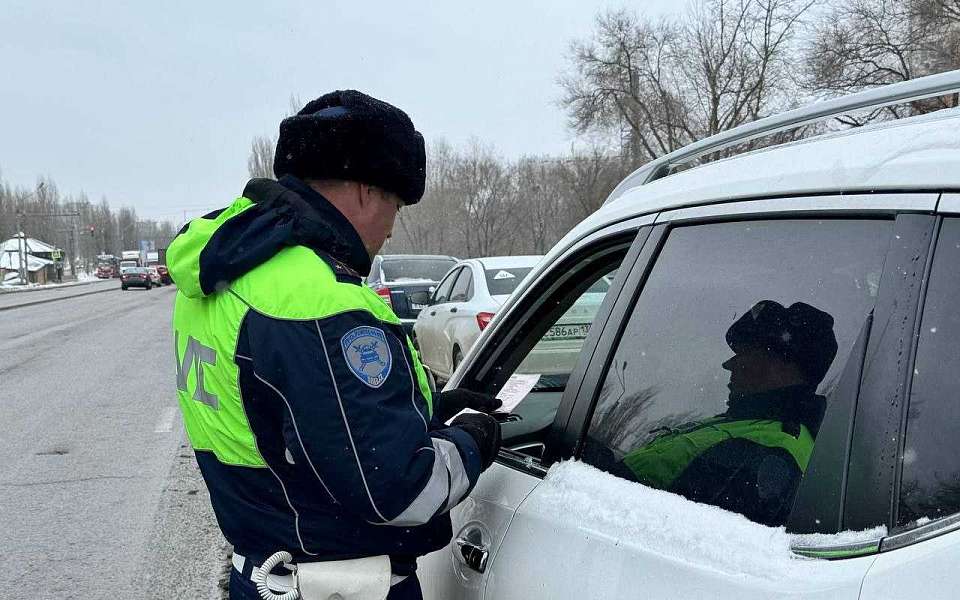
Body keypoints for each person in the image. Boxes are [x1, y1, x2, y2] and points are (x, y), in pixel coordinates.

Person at [168, 90, 501, 600]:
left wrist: (426, 409)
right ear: (367, 190)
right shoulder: (321, 303)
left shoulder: (225, 272)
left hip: (265, 570)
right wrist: (473, 442)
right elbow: (398, 489)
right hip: (342, 586)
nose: (393, 226)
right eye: (396, 203)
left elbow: (285, 417)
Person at [618, 300, 838, 526]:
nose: (729, 364)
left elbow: (652, 523)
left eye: (746, 353)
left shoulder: (765, 456)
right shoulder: (751, 424)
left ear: (783, 366)